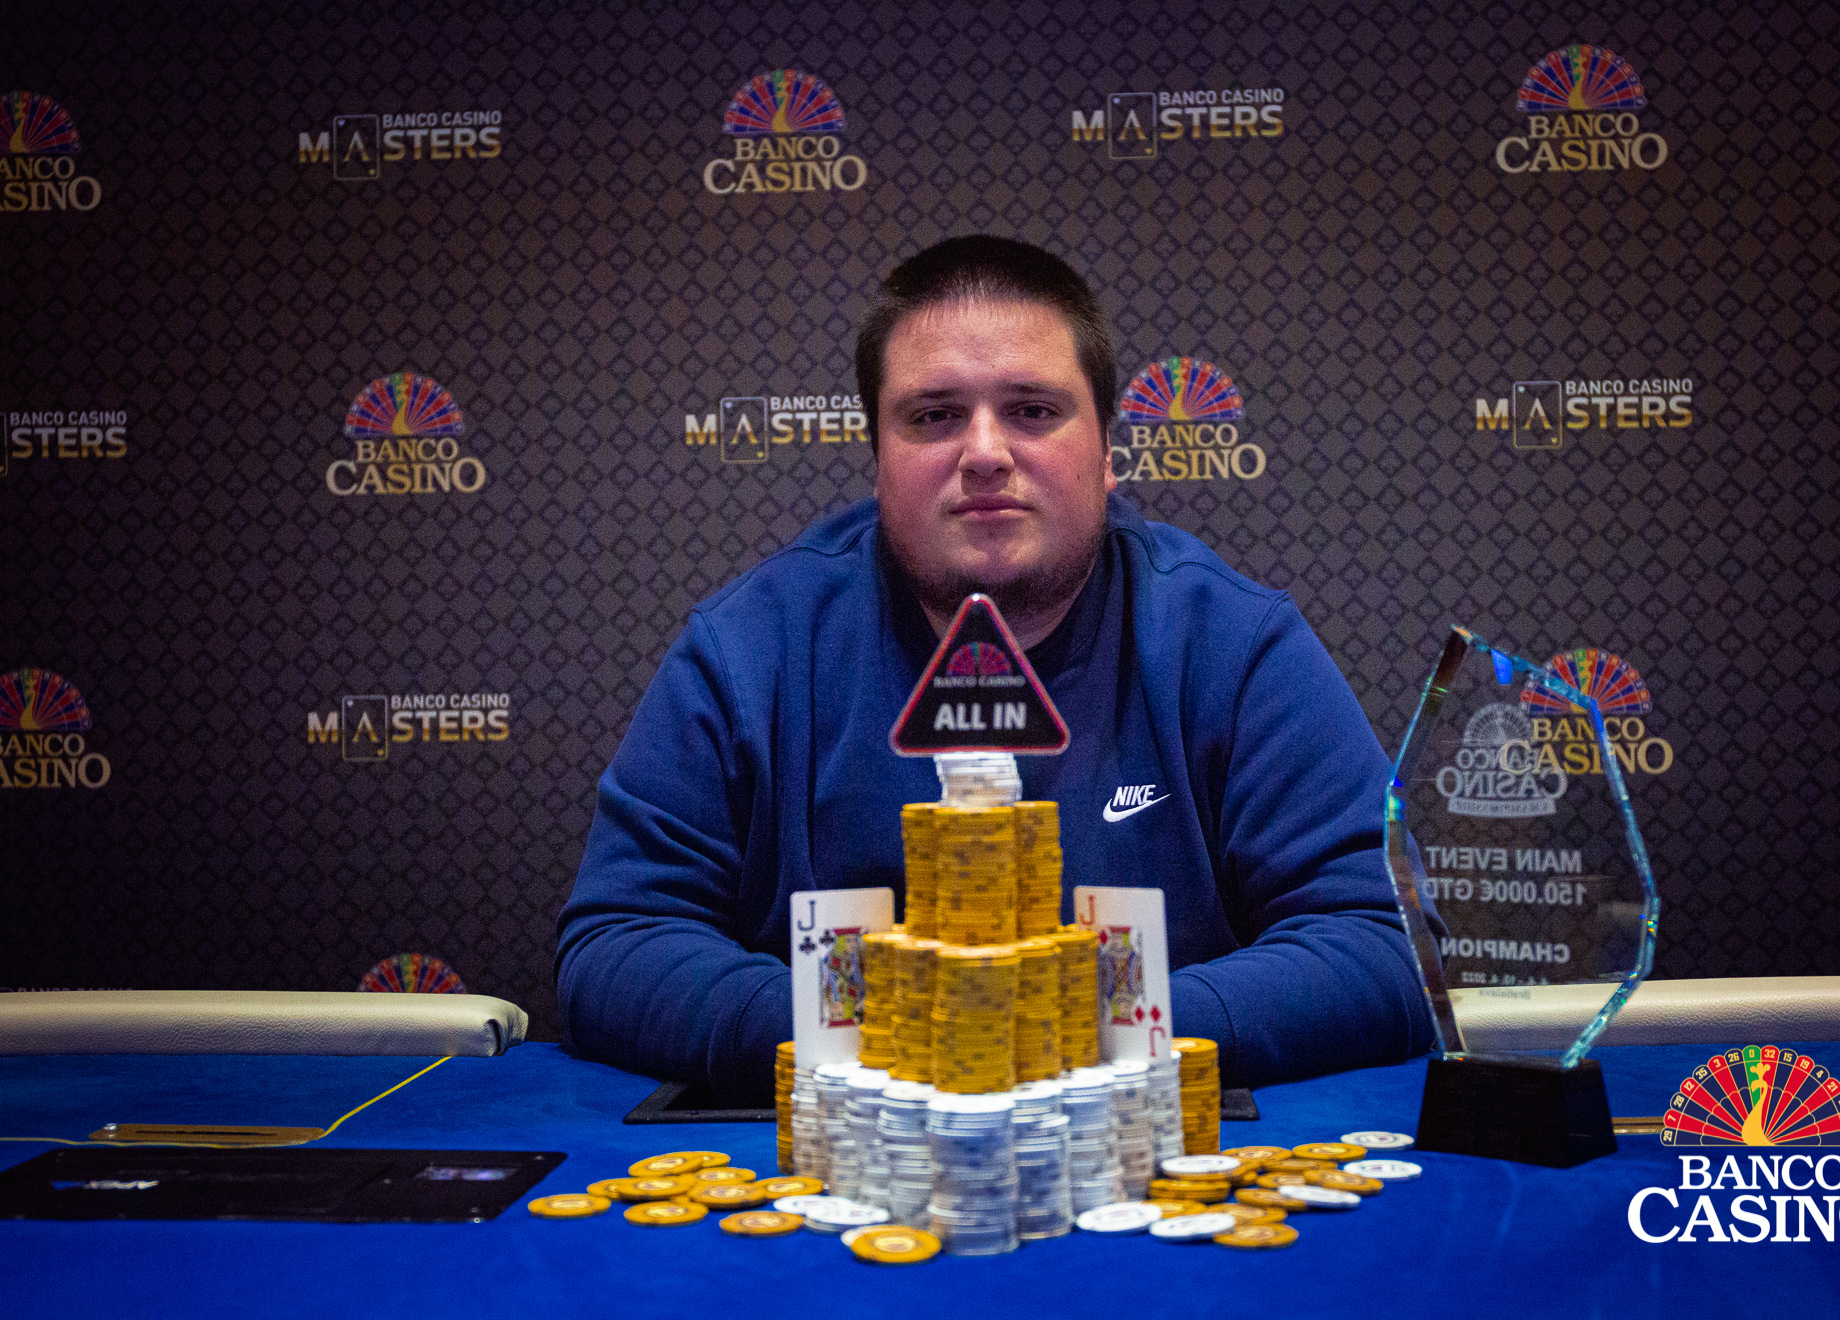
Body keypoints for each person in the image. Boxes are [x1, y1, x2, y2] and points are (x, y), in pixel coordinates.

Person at [557, 235, 1437, 1105]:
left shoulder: (1231, 640)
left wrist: (1081, 1028)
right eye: (934, 417)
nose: (984, 453)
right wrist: (894, 1031)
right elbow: (615, 943)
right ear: (877, 458)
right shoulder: (752, 647)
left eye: (1033, 410)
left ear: (1108, 451)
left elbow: (1385, 941)